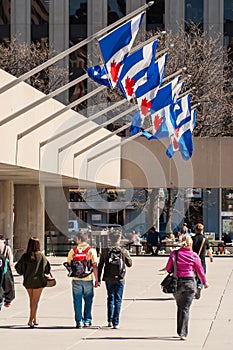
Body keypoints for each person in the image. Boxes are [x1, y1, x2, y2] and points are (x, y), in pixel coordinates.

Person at [165, 234, 209, 340]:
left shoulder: (174, 254)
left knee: (180, 306)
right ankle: (183, 333)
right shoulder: (194, 255)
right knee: (185, 308)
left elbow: (168, 268)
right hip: (189, 282)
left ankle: (180, 330)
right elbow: (200, 271)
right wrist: (204, 283)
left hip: (177, 283)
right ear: (191, 243)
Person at [98, 230, 132, 329]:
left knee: (110, 298)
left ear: (110, 238)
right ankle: (115, 322)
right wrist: (127, 256)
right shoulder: (123, 250)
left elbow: (101, 265)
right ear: (119, 238)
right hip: (120, 278)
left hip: (108, 277)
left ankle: (109, 320)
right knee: (118, 299)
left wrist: (98, 278)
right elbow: (129, 264)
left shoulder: (105, 250)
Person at [15, 237, 51, 328]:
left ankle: (35, 318)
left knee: (31, 301)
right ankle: (30, 320)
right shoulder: (41, 256)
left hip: (28, 282)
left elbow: (18, 269)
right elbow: (47, 269)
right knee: (35, 302)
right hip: (38, 282)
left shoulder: (25, 256)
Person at [66, 231, 98, 328]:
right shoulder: (91, 250)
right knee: (88, 300)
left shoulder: (73, 250)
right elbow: (95, 265)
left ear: (79, 239)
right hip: (88, 278)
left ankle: (79, 321)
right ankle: (87, 320)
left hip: (76, 279)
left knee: (77, 300)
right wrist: (97, 279)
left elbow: (68, 263)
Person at [192, 223, 213, 299]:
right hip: (201, 260)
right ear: (202, 230)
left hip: (193, 260)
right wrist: (211, 257)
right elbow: (208, 250)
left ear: (195, 230)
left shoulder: (192, 238)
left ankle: (194, 287)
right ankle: (199, 286)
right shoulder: (205, 239)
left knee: (194, 275)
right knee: (201, 274)